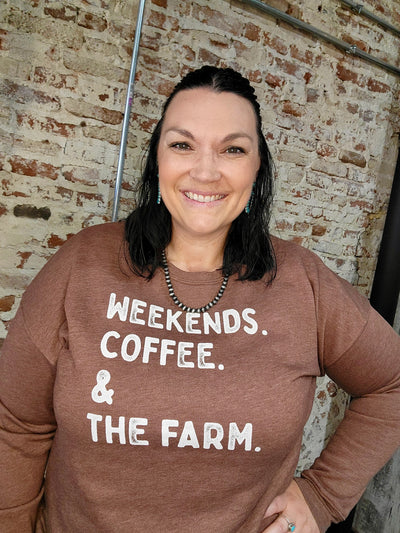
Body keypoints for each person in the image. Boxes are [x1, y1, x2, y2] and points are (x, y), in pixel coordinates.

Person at [0, 65, 399, 533]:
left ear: (257, 168)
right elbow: (16, 424)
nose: (205, 171)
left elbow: (390, 384)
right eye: (182, 144)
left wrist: (322, 495)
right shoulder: (82, 264)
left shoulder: (303, 284)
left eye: (232, 149)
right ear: (158, 161)